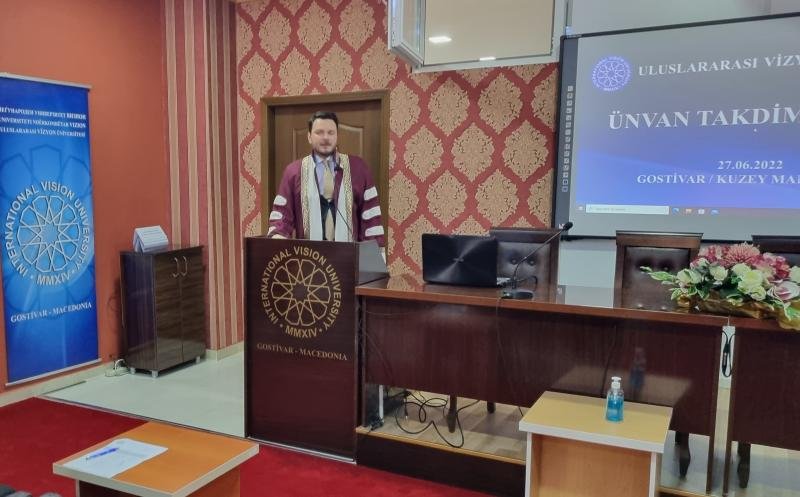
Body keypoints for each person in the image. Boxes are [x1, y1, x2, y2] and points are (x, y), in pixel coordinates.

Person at [266, 111, 385, 251]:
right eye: (319, 132)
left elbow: (370, 219)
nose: (326, 137)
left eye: (331, 132)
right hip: (308, 258)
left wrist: (372, 257)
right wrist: (278, 237)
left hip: (349, 257)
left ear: (337, 136)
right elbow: (282, 216)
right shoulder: (293, 172)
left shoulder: (359, 169)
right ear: (309, 137)